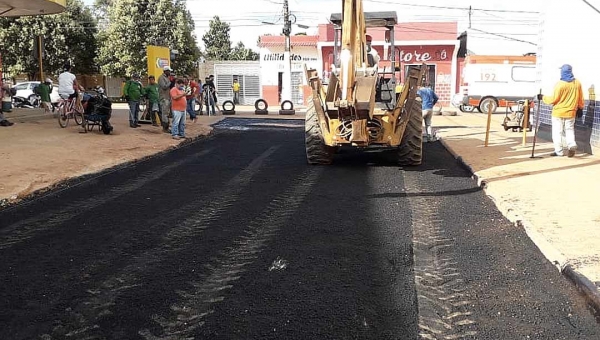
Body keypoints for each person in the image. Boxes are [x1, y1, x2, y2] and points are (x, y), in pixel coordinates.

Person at [541, 64, 584, 157]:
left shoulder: (560, 84)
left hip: (558, 112)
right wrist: (580, 108)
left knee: (557, 132)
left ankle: (559, 151)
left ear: (562, 72)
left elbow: (553, 99)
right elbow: (580, 97)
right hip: (571, 112)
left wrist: (543, 97)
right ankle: (571, 144)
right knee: (569, 130)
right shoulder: (577, 83)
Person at [158, 66, 173, 132]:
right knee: (164, 113)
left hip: (167, 97)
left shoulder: (167, 78)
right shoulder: (161, 78)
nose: (170, 72)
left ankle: (166, 126)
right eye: (169, 71)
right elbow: (164, 86)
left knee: (167, 112)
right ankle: (165, 128)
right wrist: (170, 82)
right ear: (165, 71)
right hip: (164, 98)